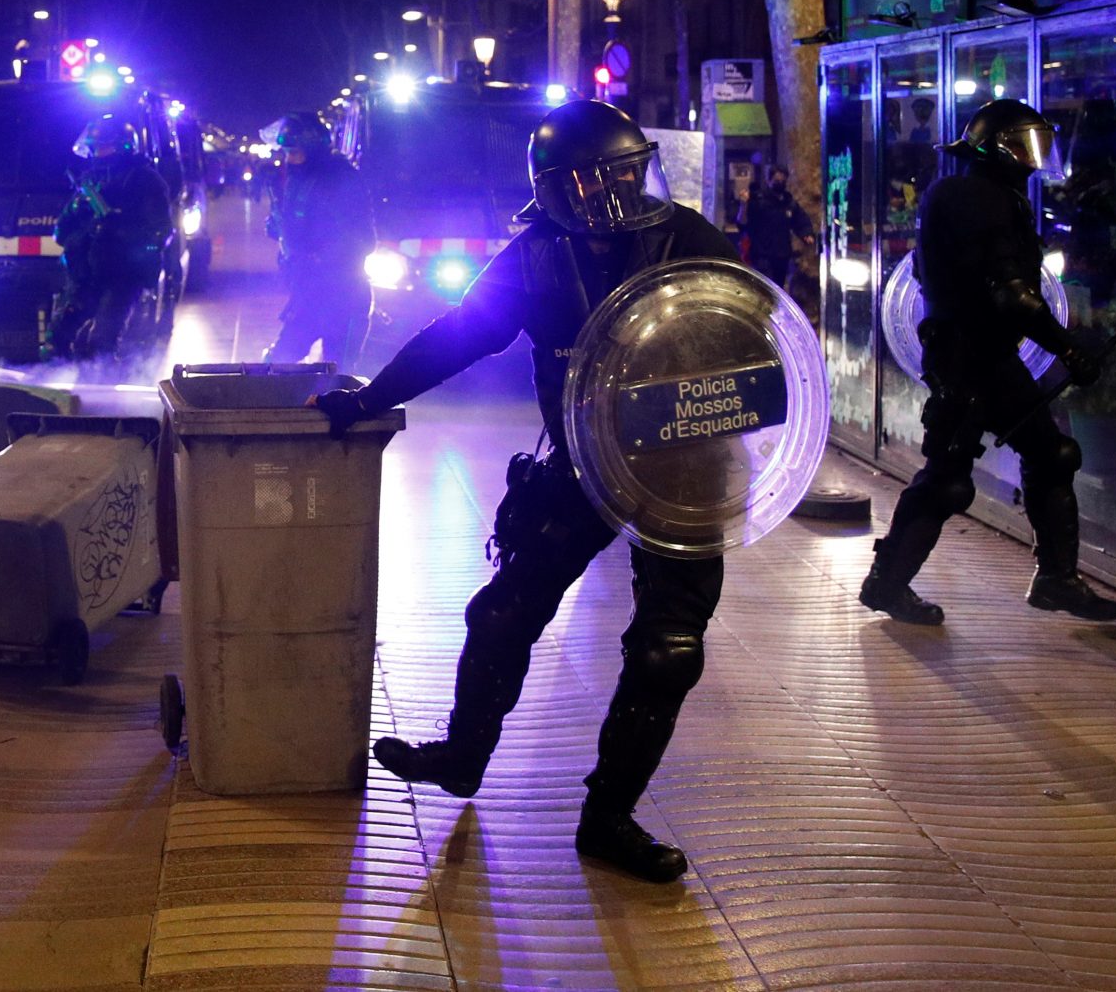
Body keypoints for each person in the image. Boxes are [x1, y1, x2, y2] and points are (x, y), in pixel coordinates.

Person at [310, 100, 737, 884]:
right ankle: (462, 756)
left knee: (667, 651)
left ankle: (608, 819)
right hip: (583, 463)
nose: (611, 196)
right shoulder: (536, 256)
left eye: (623, 176)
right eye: (590, 183)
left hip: (682, 472)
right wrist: (370, 398)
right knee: (503, 613)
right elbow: (461, 332)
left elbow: (753, 343)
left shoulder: (692, 242)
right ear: (557, 191)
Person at [859, 98, 1116, 625]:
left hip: (984, 352)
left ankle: (1056, 578)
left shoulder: (972, 193)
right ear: (994, 148)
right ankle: (887, 583)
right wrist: (1067, 347)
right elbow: (1012, 293)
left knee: (1049, 454)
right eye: (1023, 145)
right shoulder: (977, 198)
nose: (1032, 157)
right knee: (949, 476)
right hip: (967, 355)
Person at [262, 111, 376, 369]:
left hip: (344, 293)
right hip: (310, 292)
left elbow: (363, 239)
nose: (290, 159)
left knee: (338, 374)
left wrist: (320, 256)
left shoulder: (341, 179)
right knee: (277, 364)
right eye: (287, 153)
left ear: (313, 149)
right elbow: (293, 223)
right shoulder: (297, 180)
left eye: (295, 153)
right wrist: (278, 228)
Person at [55, 114, 173, 359]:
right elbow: (61, 233)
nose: (96, 154)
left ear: (123, 147)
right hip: (86, 274)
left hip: (122, 275)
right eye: (93, 148)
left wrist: (122, 231)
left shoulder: (143, 180)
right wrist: (76, 210)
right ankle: (62, 379)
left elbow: (160, 230)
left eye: (103, 147)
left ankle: (106, 380)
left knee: (102, 341)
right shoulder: (90, 181)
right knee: (58, 336)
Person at [740, 160, 811, 294]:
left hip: (782, 254)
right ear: (769, 180)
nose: (780, 183)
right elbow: (743, 222)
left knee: (778, 290)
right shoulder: (759, 200)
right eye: (777, 180)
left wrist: (806, 233)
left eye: (783, 180)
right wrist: (744, 205)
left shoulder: (788, 202)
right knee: (763, 290)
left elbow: (800, 219)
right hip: (762, 254)